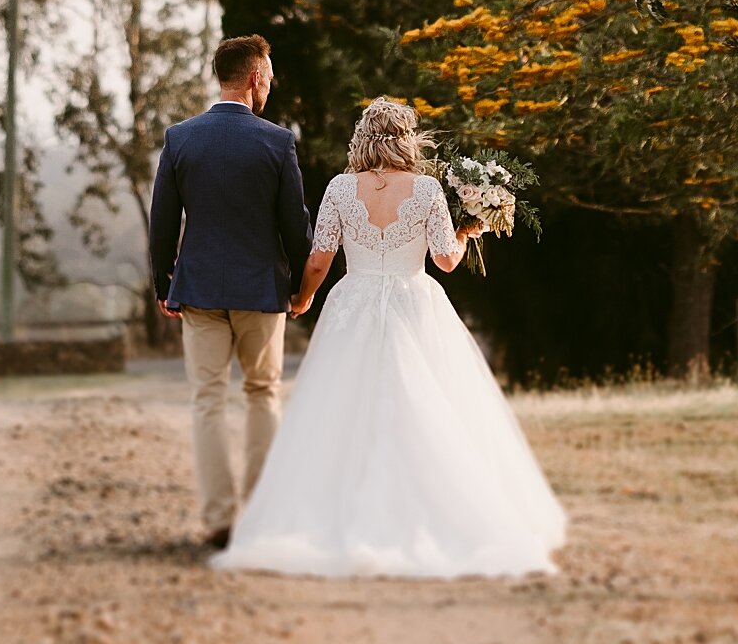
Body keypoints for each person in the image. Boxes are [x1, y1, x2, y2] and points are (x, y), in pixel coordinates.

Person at [209, 97, 567, 578]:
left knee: (342, 408)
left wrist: (304, 296)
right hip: (413, 301)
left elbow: (320, 257)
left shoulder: (339, 187)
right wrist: (469, 230)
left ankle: (337, 512)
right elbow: (445, 260)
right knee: (424, 402)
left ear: (363, 137)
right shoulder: (426, 189)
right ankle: (432, 512)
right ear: (406, 138)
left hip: (352, 301)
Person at [148, 34, 311, 551]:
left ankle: (220, 518)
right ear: (253, 78)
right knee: (262, 393)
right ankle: (259, 511)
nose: (271, 83)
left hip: (197, 289)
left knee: (207, 400)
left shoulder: (180, 138)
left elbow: (161, 222)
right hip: (262, 292)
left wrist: (163, 283)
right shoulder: (277, 142)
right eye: (269, 75)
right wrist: (303, 285)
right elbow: (295, 225)